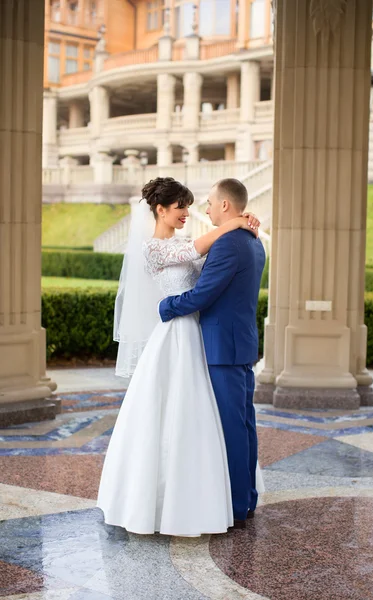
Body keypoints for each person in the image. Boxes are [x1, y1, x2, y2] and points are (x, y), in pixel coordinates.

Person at [97, 177, 260, 536]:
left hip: (199, 337)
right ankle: (167, 501)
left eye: (189, 206)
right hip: (174, 335)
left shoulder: (189, 242)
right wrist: (235, 222)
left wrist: (239, 226)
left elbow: (207, 274)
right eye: (180, 207)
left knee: (206, 418)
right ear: (160, 210)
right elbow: (196, 252)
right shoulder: (153, 248)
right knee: (171, 414)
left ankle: (209, 494)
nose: (188, 213)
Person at [159, 178, 266, 527]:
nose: (204, 210)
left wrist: (166, 306)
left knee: (232, 429)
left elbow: (203, 295)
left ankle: (235, 507)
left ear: (225, 205)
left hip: (223, 349)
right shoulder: (253, 240)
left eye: (208, 203)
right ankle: (246, 499)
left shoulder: (229, 244)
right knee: (244, 425)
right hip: (241, 344)